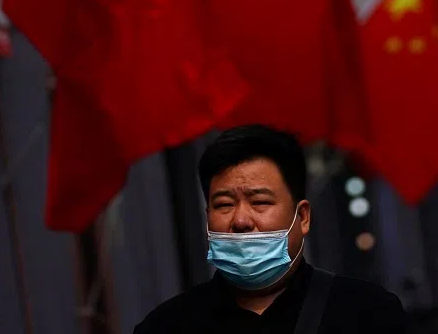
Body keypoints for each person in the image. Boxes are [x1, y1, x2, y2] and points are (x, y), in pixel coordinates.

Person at [134, 124, 408, 333]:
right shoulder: (166, 327)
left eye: (260, 202)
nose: (240, 221)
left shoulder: (367, 314)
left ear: (302, 217)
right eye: (224, 205)